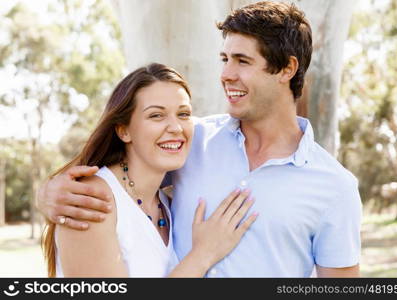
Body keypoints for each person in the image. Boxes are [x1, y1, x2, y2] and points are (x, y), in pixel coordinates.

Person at [38, 1, 362, 277]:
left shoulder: (335, 186)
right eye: (225, 59)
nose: (226, 74)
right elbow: (121, 161)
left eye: (242, 61)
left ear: (286, 69)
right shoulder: (191, 140)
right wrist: (50, 192)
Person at [41, 63, 257, 277]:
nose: (176, 128)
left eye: (183, 114)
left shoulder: (164, 201)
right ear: (124, 131)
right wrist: (204, 254)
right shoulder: (90, 201)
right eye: (156, 115)